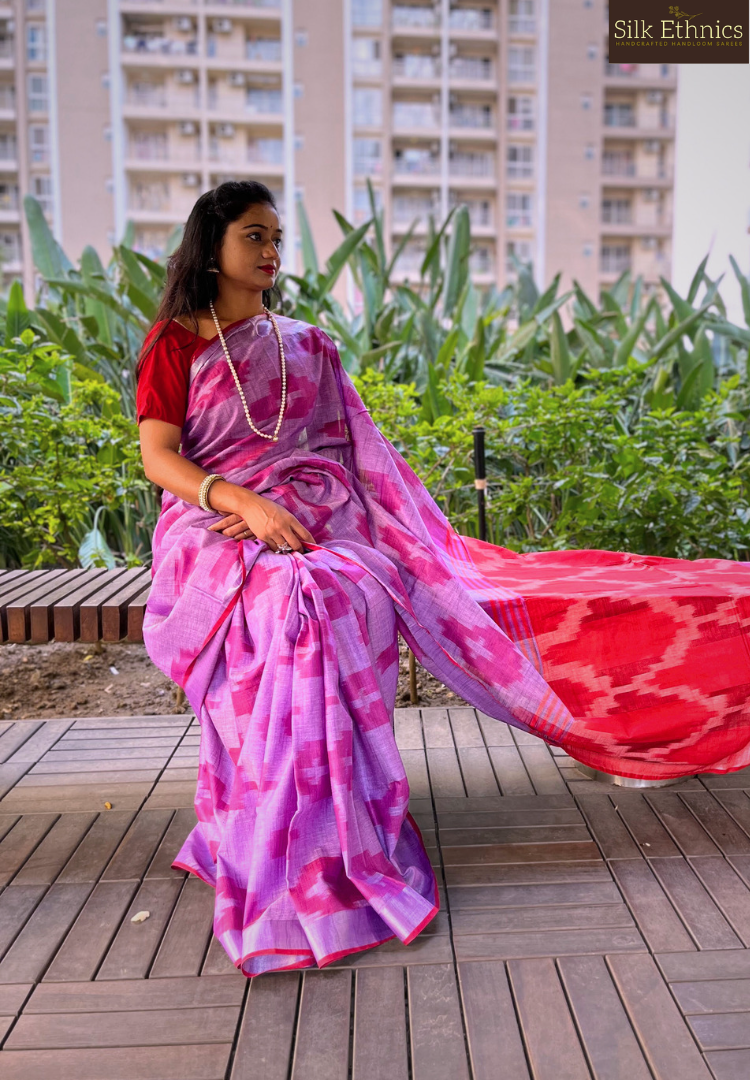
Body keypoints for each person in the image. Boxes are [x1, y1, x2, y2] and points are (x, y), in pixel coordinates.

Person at [135, 180, 744, 976]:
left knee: (337, 591)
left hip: (318, 510)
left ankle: (339, 826)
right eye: (254, 236)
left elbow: (349, 453)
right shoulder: (175, 341)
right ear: (211, 244)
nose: (272, 251)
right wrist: (242, 502)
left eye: (277, 236)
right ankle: (270, 828)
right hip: (213, 522)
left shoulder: (307, 344)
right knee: (297, 601)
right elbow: (159, 458)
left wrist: (304, 507)